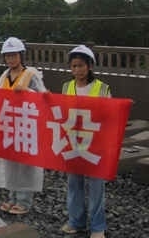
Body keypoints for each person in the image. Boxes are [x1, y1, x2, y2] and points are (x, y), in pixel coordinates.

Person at [60, 45, 110, 238]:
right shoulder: (67, 87)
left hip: (94, 144)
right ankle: (76, 221)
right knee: (74, 184)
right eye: (74, 66)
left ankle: (98, 227)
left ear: (90, 66)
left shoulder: (102, 88)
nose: (77, 70)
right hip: (73, 143)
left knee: (96, 187)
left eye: (81, 65)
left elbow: (109, 114)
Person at [0, 36, 46, 215]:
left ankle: (24, 200)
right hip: (9, 125)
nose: (10, 59)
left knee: (25, 165)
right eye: (7, 56)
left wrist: (27, 91)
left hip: (26, 125)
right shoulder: (4, 75)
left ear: (21, 55)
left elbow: (43, 97)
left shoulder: (31, 74)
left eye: (14, 55)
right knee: (10, 164)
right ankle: (12, 196)